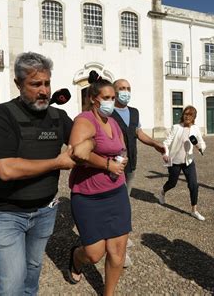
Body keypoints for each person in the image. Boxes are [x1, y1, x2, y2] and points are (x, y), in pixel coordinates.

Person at [0, 52, 87, 295]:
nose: (44, 91)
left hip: (45, 211)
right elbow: (5, 169)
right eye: (35, 84)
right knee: (11, 284)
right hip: (6, 214)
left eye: (47, 83)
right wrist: (57, 162)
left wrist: (84, 145)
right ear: (18, 84)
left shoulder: (57, 116)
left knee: (32, 271)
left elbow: (85, 138)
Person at [67, 70, 130, 296]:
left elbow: (121, 147)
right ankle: (76, 256)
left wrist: (122, 159)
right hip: (88, 195)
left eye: (113, 97)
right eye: (107, 98)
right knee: (94, 254)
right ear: (94, 99)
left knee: (117, 251)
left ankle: (108, 294)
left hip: (116, 193)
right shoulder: (84, 120)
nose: (111, 102)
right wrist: (107, 165)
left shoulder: (112, 122)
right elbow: (76, 153)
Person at [110, 78, 165, 267]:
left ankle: (121, 236)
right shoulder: (108, 112)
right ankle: (119, 248)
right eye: (121, 89)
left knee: (124, 202)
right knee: (117, 205)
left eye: (128, 88)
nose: (125, 91)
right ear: (114, 92)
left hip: (131, 164)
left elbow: (139, 133)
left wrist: (155, 144)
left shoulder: (134, 112)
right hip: (114, 166)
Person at [159, 105, 207, 221]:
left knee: (193, 185)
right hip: (174, 161)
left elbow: (202, 143)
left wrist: (199, 147)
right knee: (172, 183)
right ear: (183, 115)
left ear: (194, 117)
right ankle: (162, 191)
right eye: (186, 114)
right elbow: (166, 142)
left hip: (188, 161)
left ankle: (194, 210)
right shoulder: (176, 127)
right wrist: (165, 153)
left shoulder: (195, 129)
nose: (187, 116)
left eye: (190, 115)